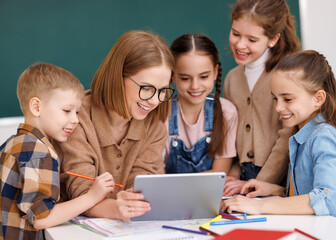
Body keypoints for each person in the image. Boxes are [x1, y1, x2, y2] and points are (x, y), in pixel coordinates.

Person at [221, 50, 336, 225]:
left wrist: (259, 206)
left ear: (318, 98)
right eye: (275, 99)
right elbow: (309, 190)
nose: (278, 107)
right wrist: (278, 190)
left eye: (287, 99)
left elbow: (325, 199)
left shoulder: (323, 137)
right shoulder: (302, 136)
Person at [53, 30, 175, 221]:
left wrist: (136, 196)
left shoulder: (155, 125)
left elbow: (141, 180)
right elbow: (81, 191)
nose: (154, 101)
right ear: (118, 77)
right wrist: (118, 209)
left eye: (162, 91)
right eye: (147, 88)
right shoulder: (76, 117)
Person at [0, 63, 115, 239]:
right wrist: (92, 196)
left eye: (77, 112)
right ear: (36, 107)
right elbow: (41, 218)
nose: (75, 120)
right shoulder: (39, 153)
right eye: (67, 111)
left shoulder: (13, 144)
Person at [223, 0, 301, 196]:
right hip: (244, 178)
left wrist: (257, 183)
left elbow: (287, 138)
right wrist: (234, 176)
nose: (240, 44)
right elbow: (232, 137)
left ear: (273, 39)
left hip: (278, 180)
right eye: (235, 34)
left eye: (251, 39)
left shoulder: (286, 75)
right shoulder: (232, 79)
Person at [164, 33, 238, 174]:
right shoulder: (161, 115)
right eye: (185, 78)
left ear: (215, 72)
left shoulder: (226, 113)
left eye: (204, 76)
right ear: (173, 75)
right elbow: (156, 172)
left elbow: (219, 174)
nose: (195, 86)